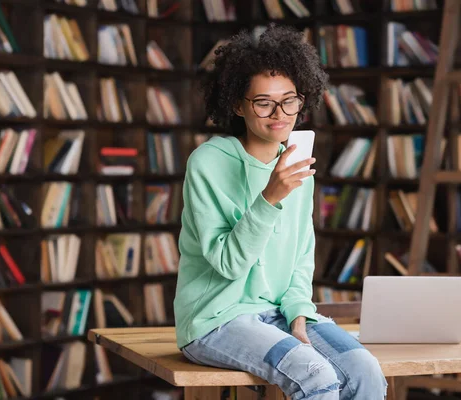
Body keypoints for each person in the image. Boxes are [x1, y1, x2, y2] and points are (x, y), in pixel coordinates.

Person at [173, 24, 387, 400]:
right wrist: (270, 197)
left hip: (278, 314)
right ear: (238, 104)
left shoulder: (296, 164)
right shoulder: (208, 162)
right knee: (316, 376)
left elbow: (301, 257)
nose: (280, 114)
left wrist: (300, 311)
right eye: (263, 102)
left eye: (290, 100)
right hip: (216, 319)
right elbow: (227, 263)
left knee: (364, 370)